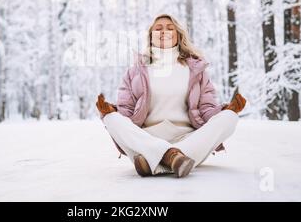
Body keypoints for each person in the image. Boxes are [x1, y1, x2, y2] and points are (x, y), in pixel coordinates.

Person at [96, 13, 246, 178]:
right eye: (158, 28)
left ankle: (154, 160)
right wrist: (111, 111)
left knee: (230, 118)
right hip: (146, 138)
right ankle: (172, 158)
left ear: (178, 35)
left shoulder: (196, 70)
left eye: (169, 28)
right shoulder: (135, 72)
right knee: (111, 119)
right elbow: (127, 112)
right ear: (151, 36)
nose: (163, 31)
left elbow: (206, 109)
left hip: (189, 140)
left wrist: (228, 109)